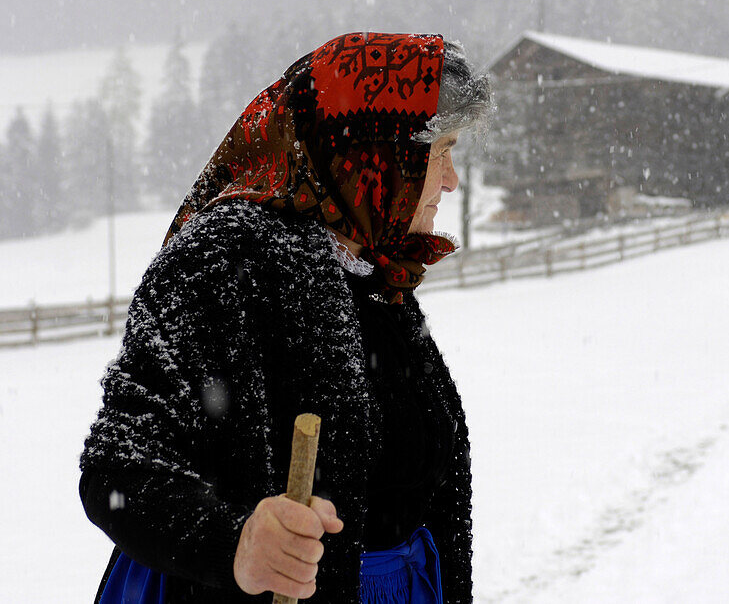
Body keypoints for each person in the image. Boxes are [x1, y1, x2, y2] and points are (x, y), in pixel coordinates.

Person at [79, 32, 492, 603]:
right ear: (375, 148)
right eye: (440, 150)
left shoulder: (372, 268)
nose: (450, 179)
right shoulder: (224, 260)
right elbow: (120, 470)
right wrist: (237, 545)